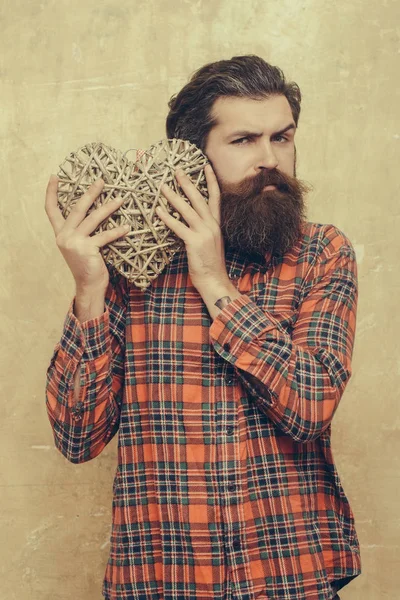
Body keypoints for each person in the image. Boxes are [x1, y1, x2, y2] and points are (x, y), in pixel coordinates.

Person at [44, 55, 361, 600]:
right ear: (193, 159)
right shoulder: (133, 264)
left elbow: (311, 405)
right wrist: (90, 289)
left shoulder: (322, 253)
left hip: (288, 576)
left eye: (282, 137)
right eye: (244, 141)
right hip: (161, 579)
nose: (270, 160)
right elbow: (77, 439)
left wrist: (215, 282)